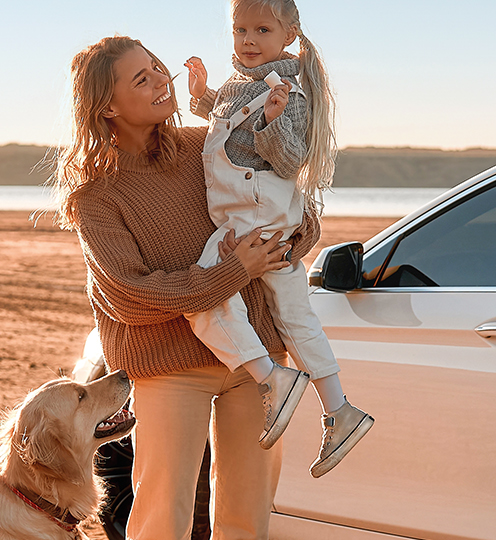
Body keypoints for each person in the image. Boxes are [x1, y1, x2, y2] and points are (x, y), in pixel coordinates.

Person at [51, 36, 318, 539]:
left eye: (157, 68)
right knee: (160, 517)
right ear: (107, 105)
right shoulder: (96, 195)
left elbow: (289, 207)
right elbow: (129, 294)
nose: (160, 81)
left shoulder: (208, 145)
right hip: (168, 365)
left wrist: (292, 233)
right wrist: (232, 272)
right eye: (141, 78)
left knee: (248, 516)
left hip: (256, 358)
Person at [182, 0, 371, 478]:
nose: (247, 39)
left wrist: (272, 118)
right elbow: (230, 124)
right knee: (294, 311)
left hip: (254, 209)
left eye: (261, 29)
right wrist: (203, 95)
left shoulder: (286, 90)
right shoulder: (241, 85)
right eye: (239, 28)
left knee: (207, 291)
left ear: (289, 35)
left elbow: (290, 161)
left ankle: (271, 378)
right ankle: (339, 408)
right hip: (258, 210)